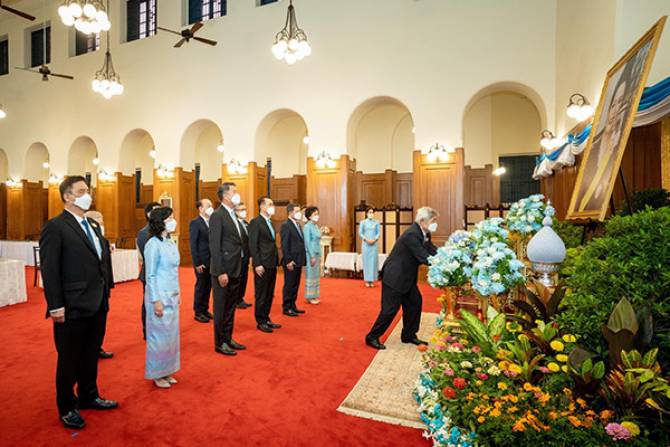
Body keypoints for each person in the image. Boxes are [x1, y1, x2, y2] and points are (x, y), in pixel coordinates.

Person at [40, 176, 118, 429]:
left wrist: (106, 291)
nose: (88, 195)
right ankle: (66, 406)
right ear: (67, 196)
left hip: (97, 301)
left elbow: (100, 260)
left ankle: (88, 395)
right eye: (82, 191)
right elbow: (50, 269)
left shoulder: (92, 225)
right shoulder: (56, 226)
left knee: (90, 354)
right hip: (71, 304)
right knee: (69, 358)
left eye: (88, 190)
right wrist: (55, 305)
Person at [365, 207, 439, 350]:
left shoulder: (425, 233)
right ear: (422, 220)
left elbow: (431, 249)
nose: (435, 223)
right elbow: (423, 256)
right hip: (395, 276)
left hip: (407, 276)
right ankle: (372, 337)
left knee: (415, 303)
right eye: (433, 220)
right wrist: (443, 264)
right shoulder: (412, 234)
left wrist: (445, 255)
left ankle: (408, 335)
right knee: (390, 309)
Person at [144, 207, 181, 389]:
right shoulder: (153, 244)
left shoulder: (170, 241)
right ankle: (156, 373)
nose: (173, 221)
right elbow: (150, 275)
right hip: (158, 296)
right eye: (170, 218)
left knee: (170, 337)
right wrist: (155, 300)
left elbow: (174, 271)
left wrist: (178, 293)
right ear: (161, 221)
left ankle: (167, 370)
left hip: (172, 294)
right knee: (158, 337)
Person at [210, 182, 247, 356]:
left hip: (235, 267)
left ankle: (228, 337)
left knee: (231, 307)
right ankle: (220, 343)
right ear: (225, 196)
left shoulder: (233, 214)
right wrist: (220, 271)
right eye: (234, 191)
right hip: (223, 270)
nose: (237, 194)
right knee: (221, 308)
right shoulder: (218, 215)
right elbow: (215, 246)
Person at [248, 196, 282, 333]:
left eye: (272, 204)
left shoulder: (270, 222)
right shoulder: (255, 222)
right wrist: (257, 263)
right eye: (269, 204)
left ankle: (266, 318)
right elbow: (253, 244)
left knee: (269, 293)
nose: (272, 207)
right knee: (261, 293)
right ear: (262, 206)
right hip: (262, 263)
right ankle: (260, 321)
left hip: (271, 262)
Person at [84, 210, 115, 359]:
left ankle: (97, 347)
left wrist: (109, 285)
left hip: (103, 287)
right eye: (100, 220)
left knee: (101, 322)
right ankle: (88, 350)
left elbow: (106, 265)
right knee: (89, 323)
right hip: (90, 289)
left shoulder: (102, 239)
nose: (102, 223)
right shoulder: (85, 240)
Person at [137, 201, 161, 339]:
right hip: (149, 273)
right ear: (148, 214)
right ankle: (147, 329)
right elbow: (147, 256)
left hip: (162, 274)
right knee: (148, 302)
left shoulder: (161, 232)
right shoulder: (144, 232)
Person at [189, 199, 214, 323]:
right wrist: (197, 262)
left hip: (211, 260)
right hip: (202, 261)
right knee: (201, 286)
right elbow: (193, 244)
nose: (211, 208)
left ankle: (205, 309)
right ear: (200, 208)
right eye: (208, 206)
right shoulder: (195, 223)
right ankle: (198, 312)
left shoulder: (211, 222)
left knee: (208, 286)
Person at [280, 203, 307, 317]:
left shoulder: (297, 224)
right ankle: (287, 307)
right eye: (297, 211)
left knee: (295, 284)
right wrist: (288, 260)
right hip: (291, 261)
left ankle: (293, 305)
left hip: (298, 259)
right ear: (290, 212)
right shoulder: (286, 225)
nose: (299, 213)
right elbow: (285, 245)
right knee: (289, 284)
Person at [235, 202, 252, 310]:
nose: (244, 211)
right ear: (235, 211)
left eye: (244, 209)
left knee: (244, 277)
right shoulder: (234, 224)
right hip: (237, 257)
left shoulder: (246, 223)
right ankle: (236, 299)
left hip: (246, 256)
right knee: (238, 278)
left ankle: (241, 298)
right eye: (241, 209)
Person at [303, 206, 322, 304]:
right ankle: (310, 296)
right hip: (311, 254)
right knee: (310, 275)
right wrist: (312, 256)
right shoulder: (307, 226)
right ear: (309, 216)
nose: (317, 216)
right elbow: (307, 242)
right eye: (315, 214)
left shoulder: (316, 226)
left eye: (318, 214)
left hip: (317, 251)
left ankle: (315, 295)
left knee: (315, 275)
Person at [359, 207, 381, 288]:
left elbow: (378, 233)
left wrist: (374, 239)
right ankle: (367, 280)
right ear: (366, 213)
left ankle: (372, 280)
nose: (371, 214)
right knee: (367, 262)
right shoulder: (363, 222)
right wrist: (366, 239)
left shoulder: (377, 222)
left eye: (372, 212)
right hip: (366, 245)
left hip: (374, 245)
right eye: (369, 212)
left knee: (373, 262)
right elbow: (360, 233)